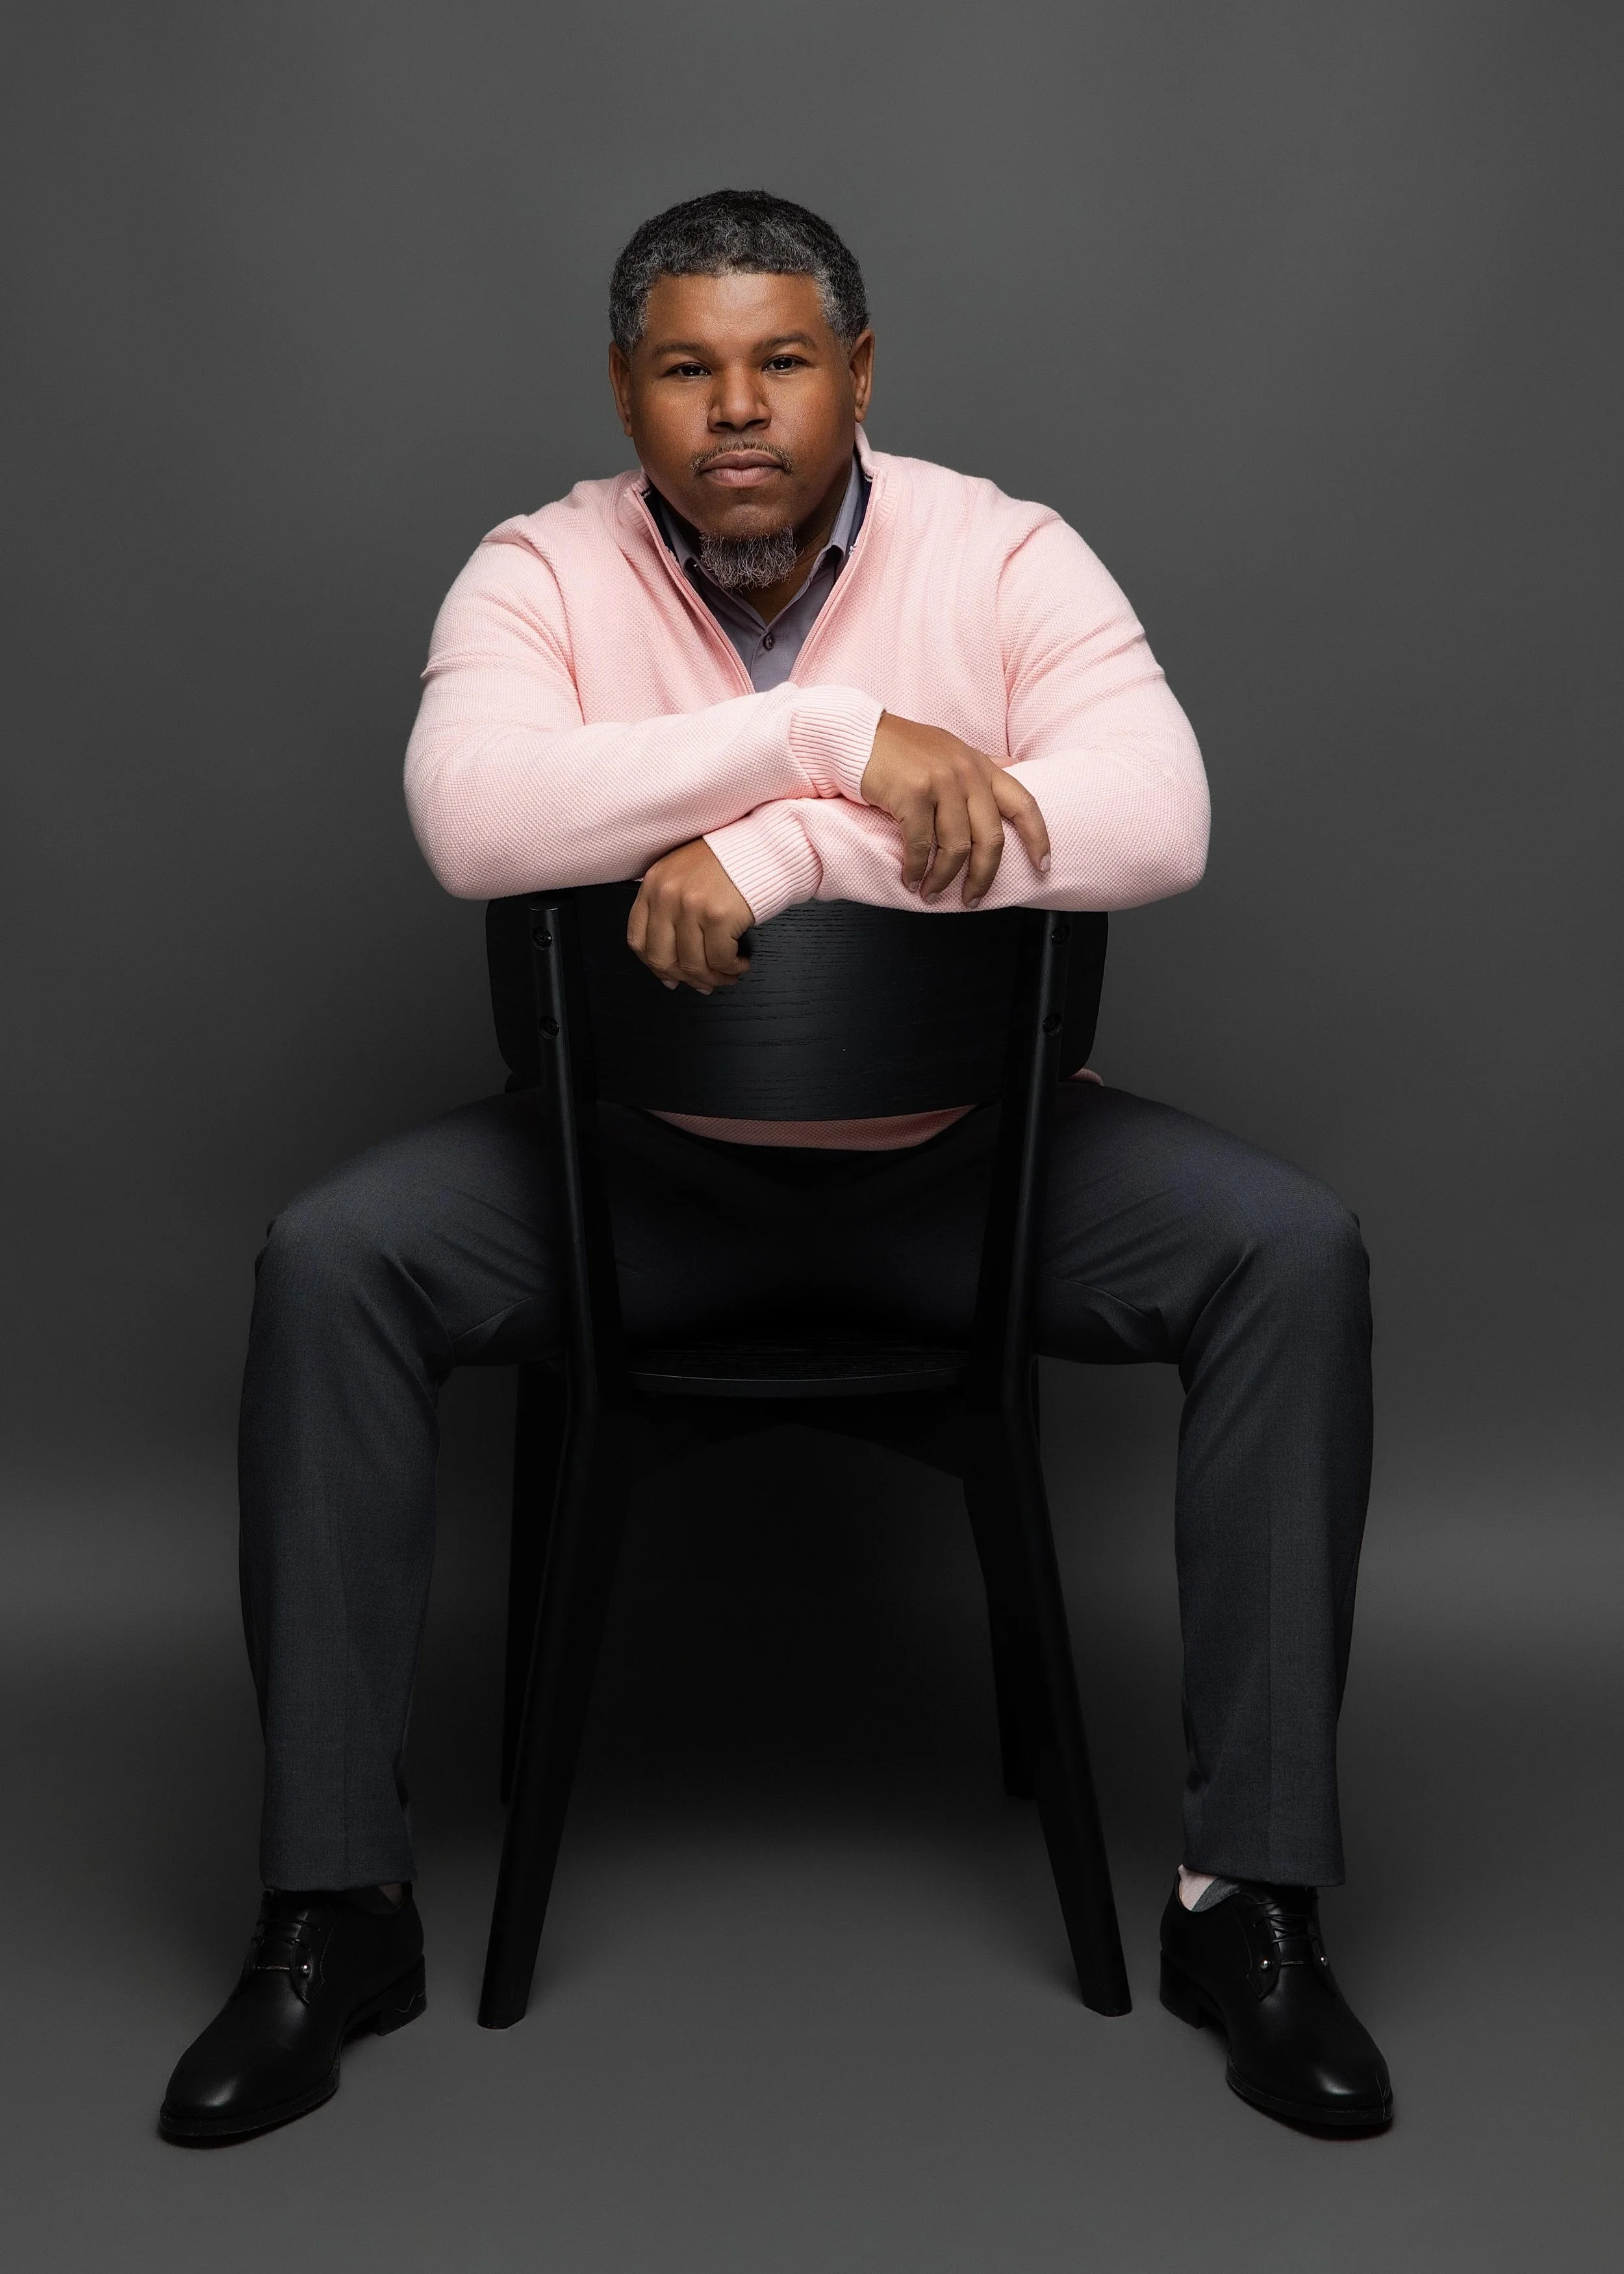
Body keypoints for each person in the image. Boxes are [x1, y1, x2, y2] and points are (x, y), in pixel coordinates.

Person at [160, 190, 1390, 2143]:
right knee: (332, 1260)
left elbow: (1156, 814)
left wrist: (787, 846)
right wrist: (837, 737)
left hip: (975, 1185)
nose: (740, 408)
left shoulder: (1005, 550)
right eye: (688, 367)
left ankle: (1250, 1899)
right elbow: (475, 818)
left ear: (859, 373)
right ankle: (335, 1905)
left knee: (1289, 1251)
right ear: (630, 394)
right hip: (620, 1190)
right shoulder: (534, 572)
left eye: (784, 360)